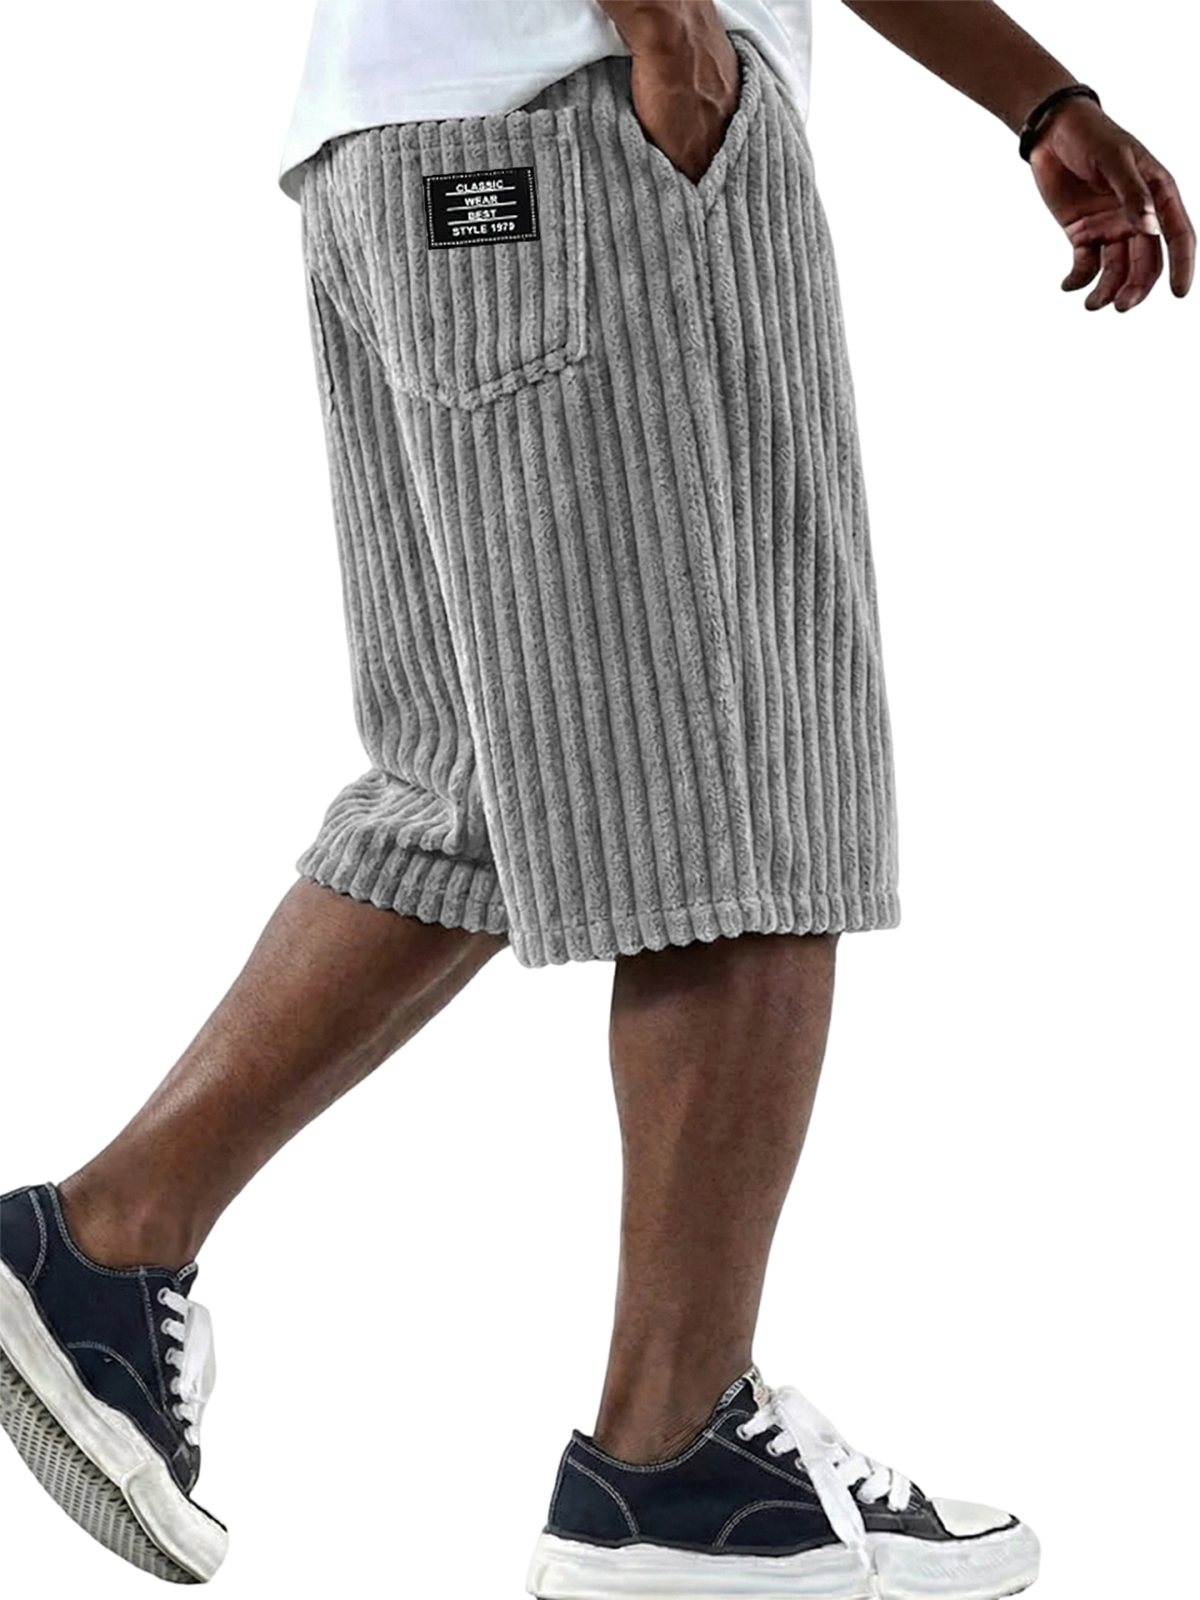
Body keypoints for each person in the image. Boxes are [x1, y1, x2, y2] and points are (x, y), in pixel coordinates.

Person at [0, 1, 1192, 1594]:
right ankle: (670, 1463)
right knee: (751, 792)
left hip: (412, 148)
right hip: (592, 120)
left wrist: (1035, 96)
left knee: (474, 793)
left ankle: (102, 1245)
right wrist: (668, 28)